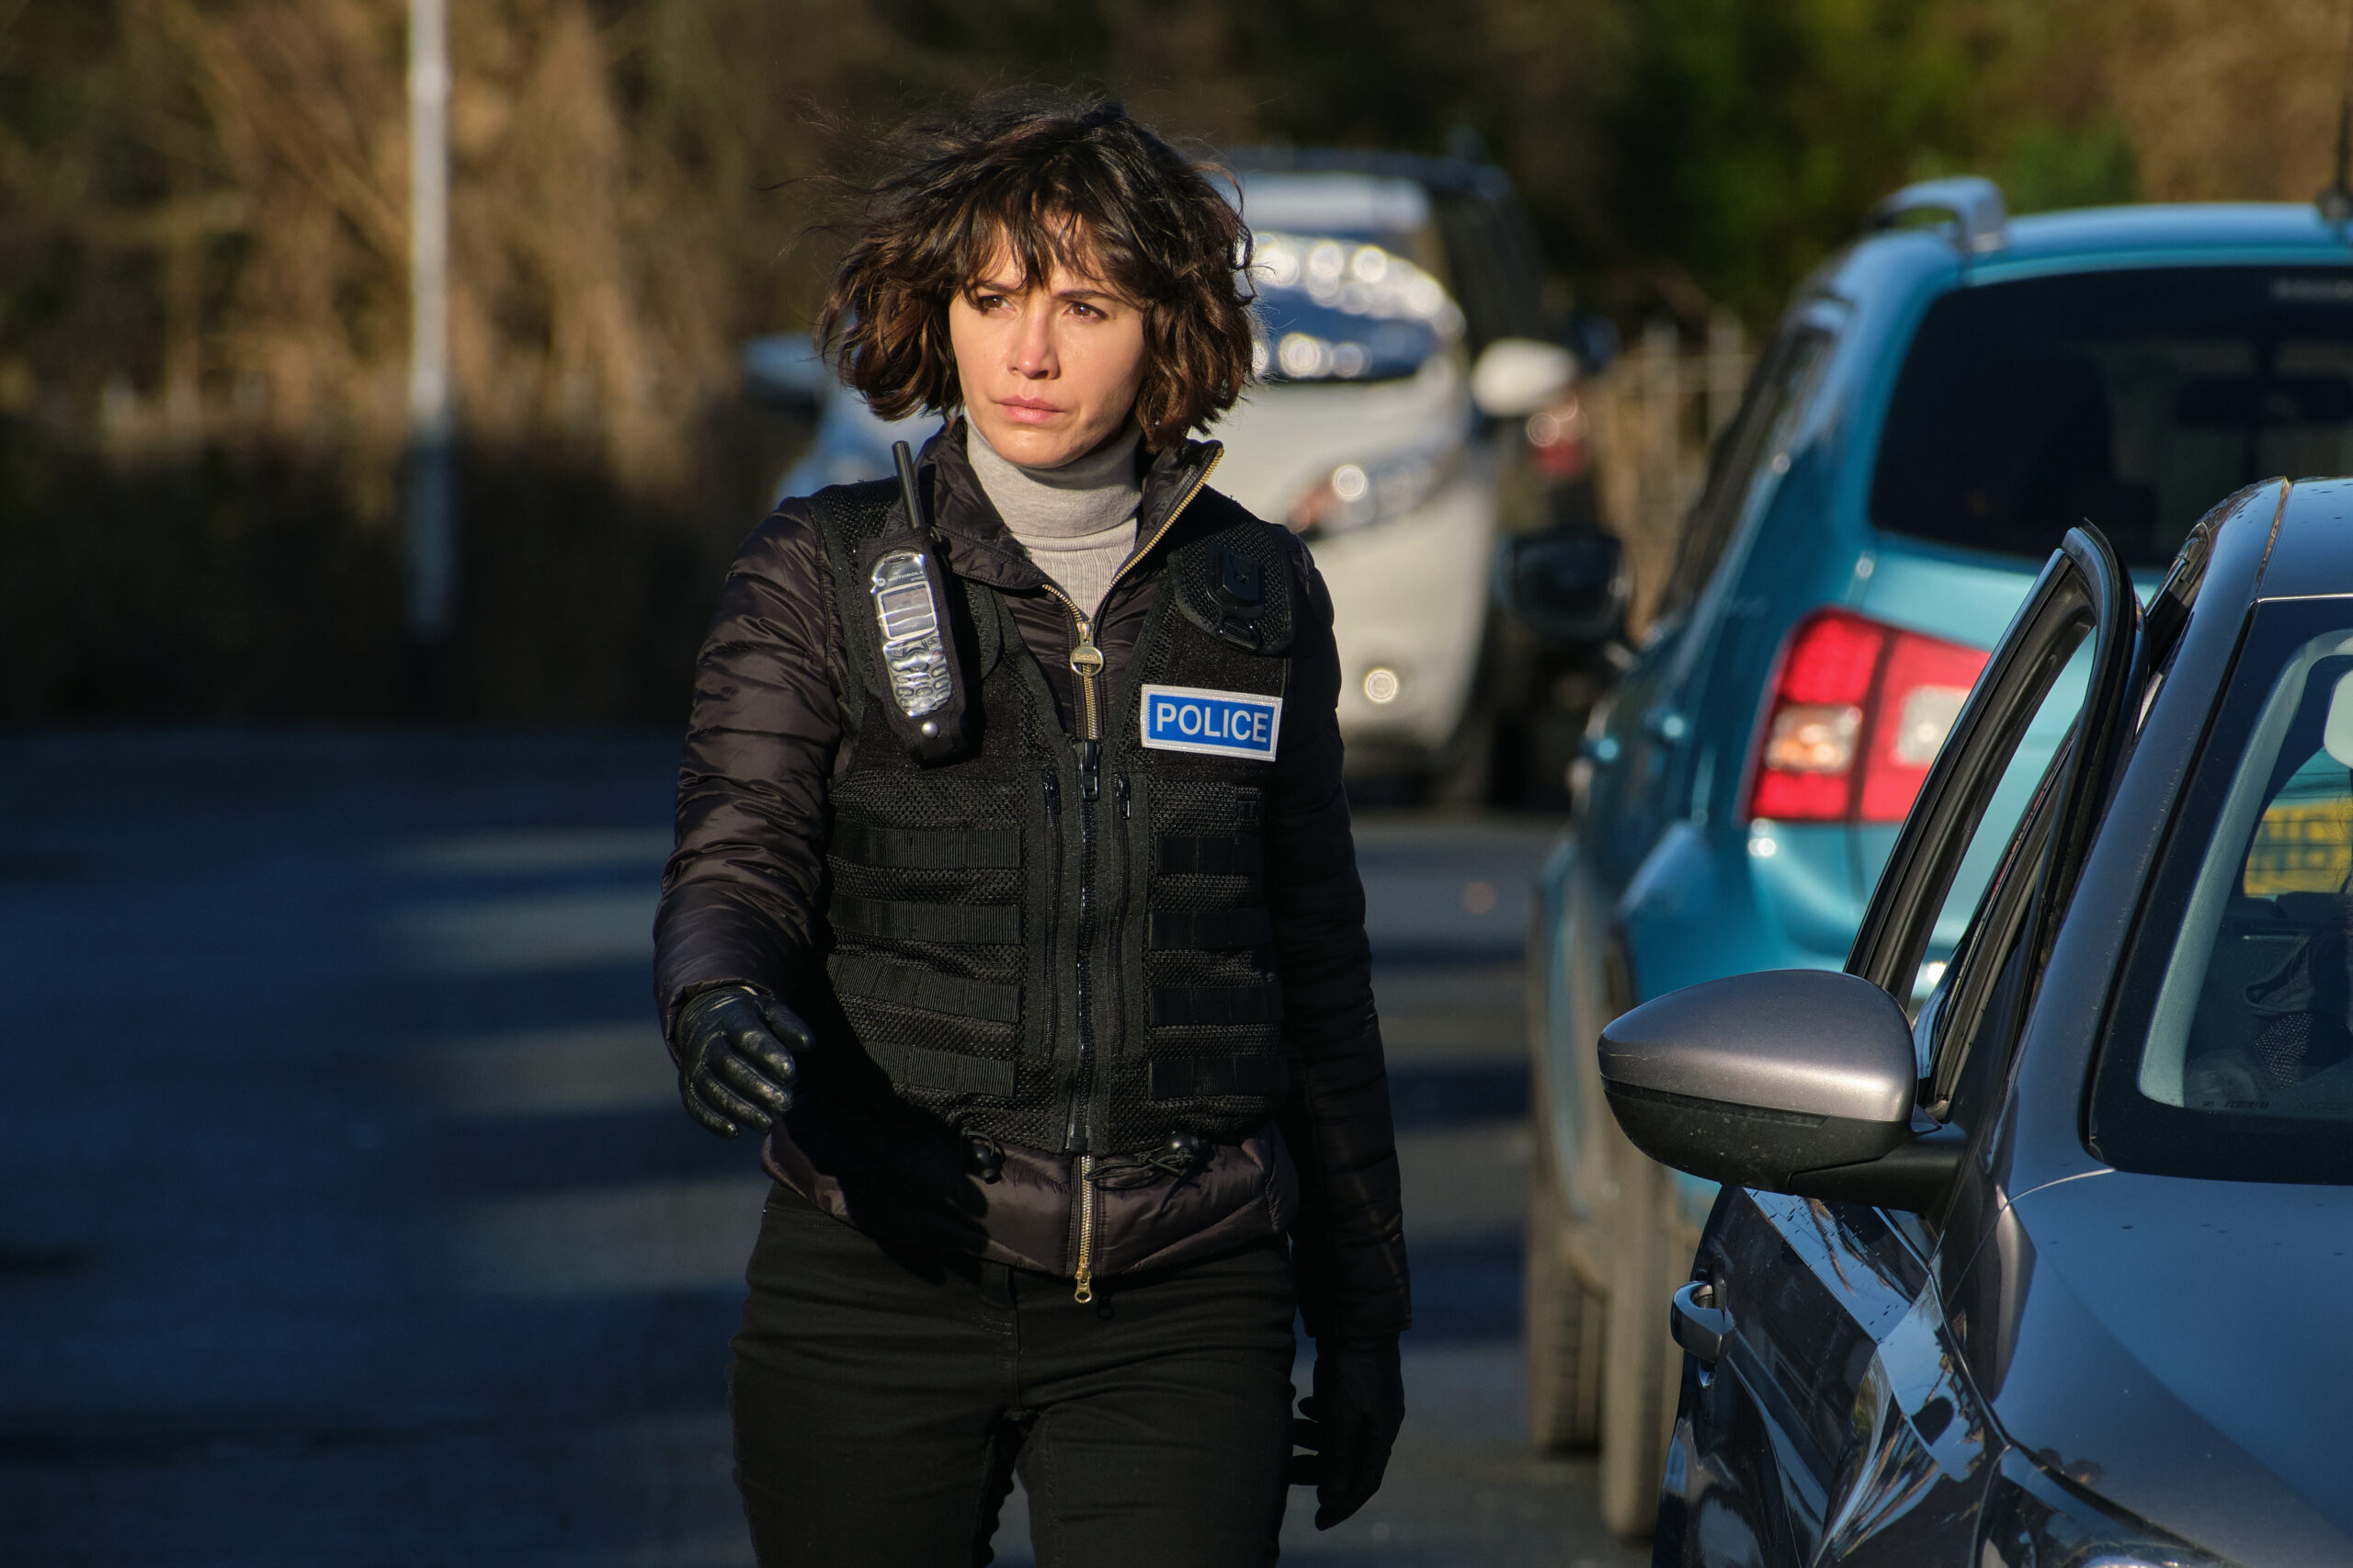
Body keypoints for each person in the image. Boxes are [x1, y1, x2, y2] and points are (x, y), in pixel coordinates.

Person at [652, 96, 1408, 1567]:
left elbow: (1318, 975)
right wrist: (713, 995)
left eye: (1085, 303)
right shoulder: (817, 571)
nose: (1033, 352)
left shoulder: (1258, 600)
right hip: (875, 1269)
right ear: (939, 313)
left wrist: (1367, 1313)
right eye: (992, 300)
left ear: (1167, 327)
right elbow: (735, 855)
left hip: (1183, 1295)